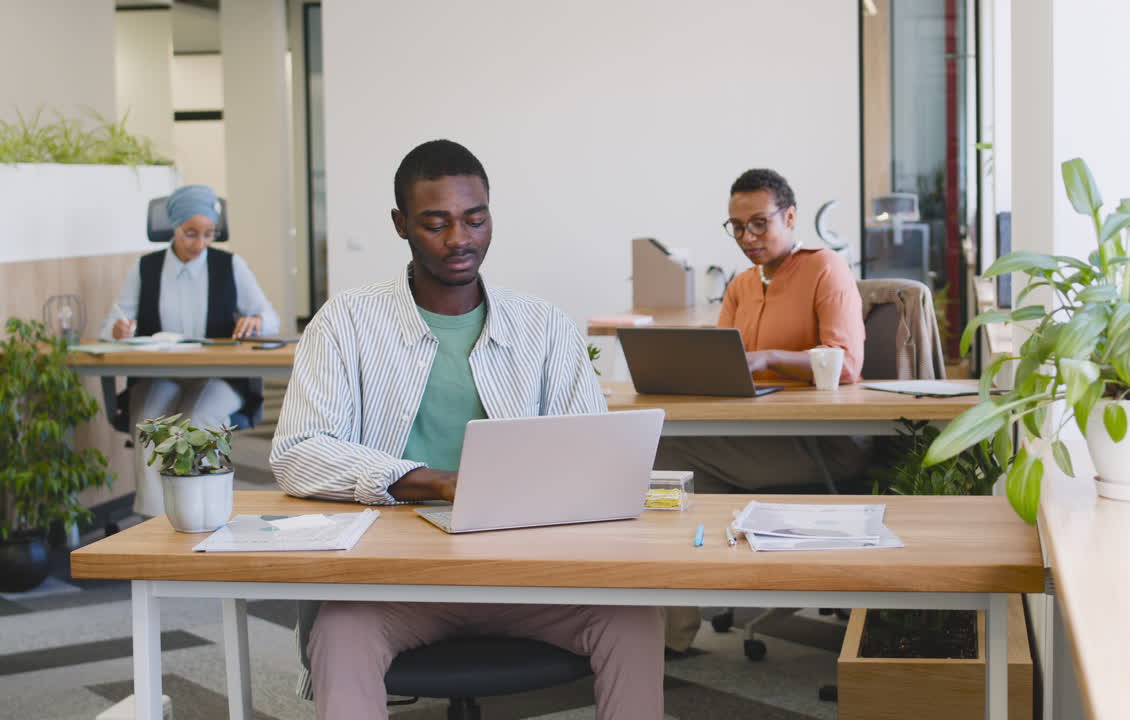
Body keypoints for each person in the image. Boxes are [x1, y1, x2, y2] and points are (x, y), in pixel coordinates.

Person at [270, 139, 663, 720]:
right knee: (340, 631)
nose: (460, 239)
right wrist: (435, 481)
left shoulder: (543, 326)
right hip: (397, 581)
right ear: (401, 225)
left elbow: (592, 457)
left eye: (475, 219)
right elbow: (298, 452)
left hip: (526, 575)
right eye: (436, 223)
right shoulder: (347, 322)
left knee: (633, 621)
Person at [654, 168, 867, 652]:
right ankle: (675, 618)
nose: (746, 237)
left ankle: (673, 629)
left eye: (758, 224)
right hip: (756, 435)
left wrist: (770, 359)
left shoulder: (825, 268)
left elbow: (848, 363)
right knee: (677, 472)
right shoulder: (742, 285)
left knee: (666, 457)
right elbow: (724, 362)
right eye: (736, 226)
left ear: (789, 217)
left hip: (821, 443)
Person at [100, 184, 279, 517]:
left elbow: (270, 317)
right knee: (150, 424)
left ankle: (204, 513)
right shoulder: (147, 268)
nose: (200, 244)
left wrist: (256, 321)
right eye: (190, 234)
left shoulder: (230, 265)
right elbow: (113, 320)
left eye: (209, 234)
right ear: (173, 227)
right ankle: (155, 521)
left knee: (197, 422)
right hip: (160, 374)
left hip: (219, 375)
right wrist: (118, 329)